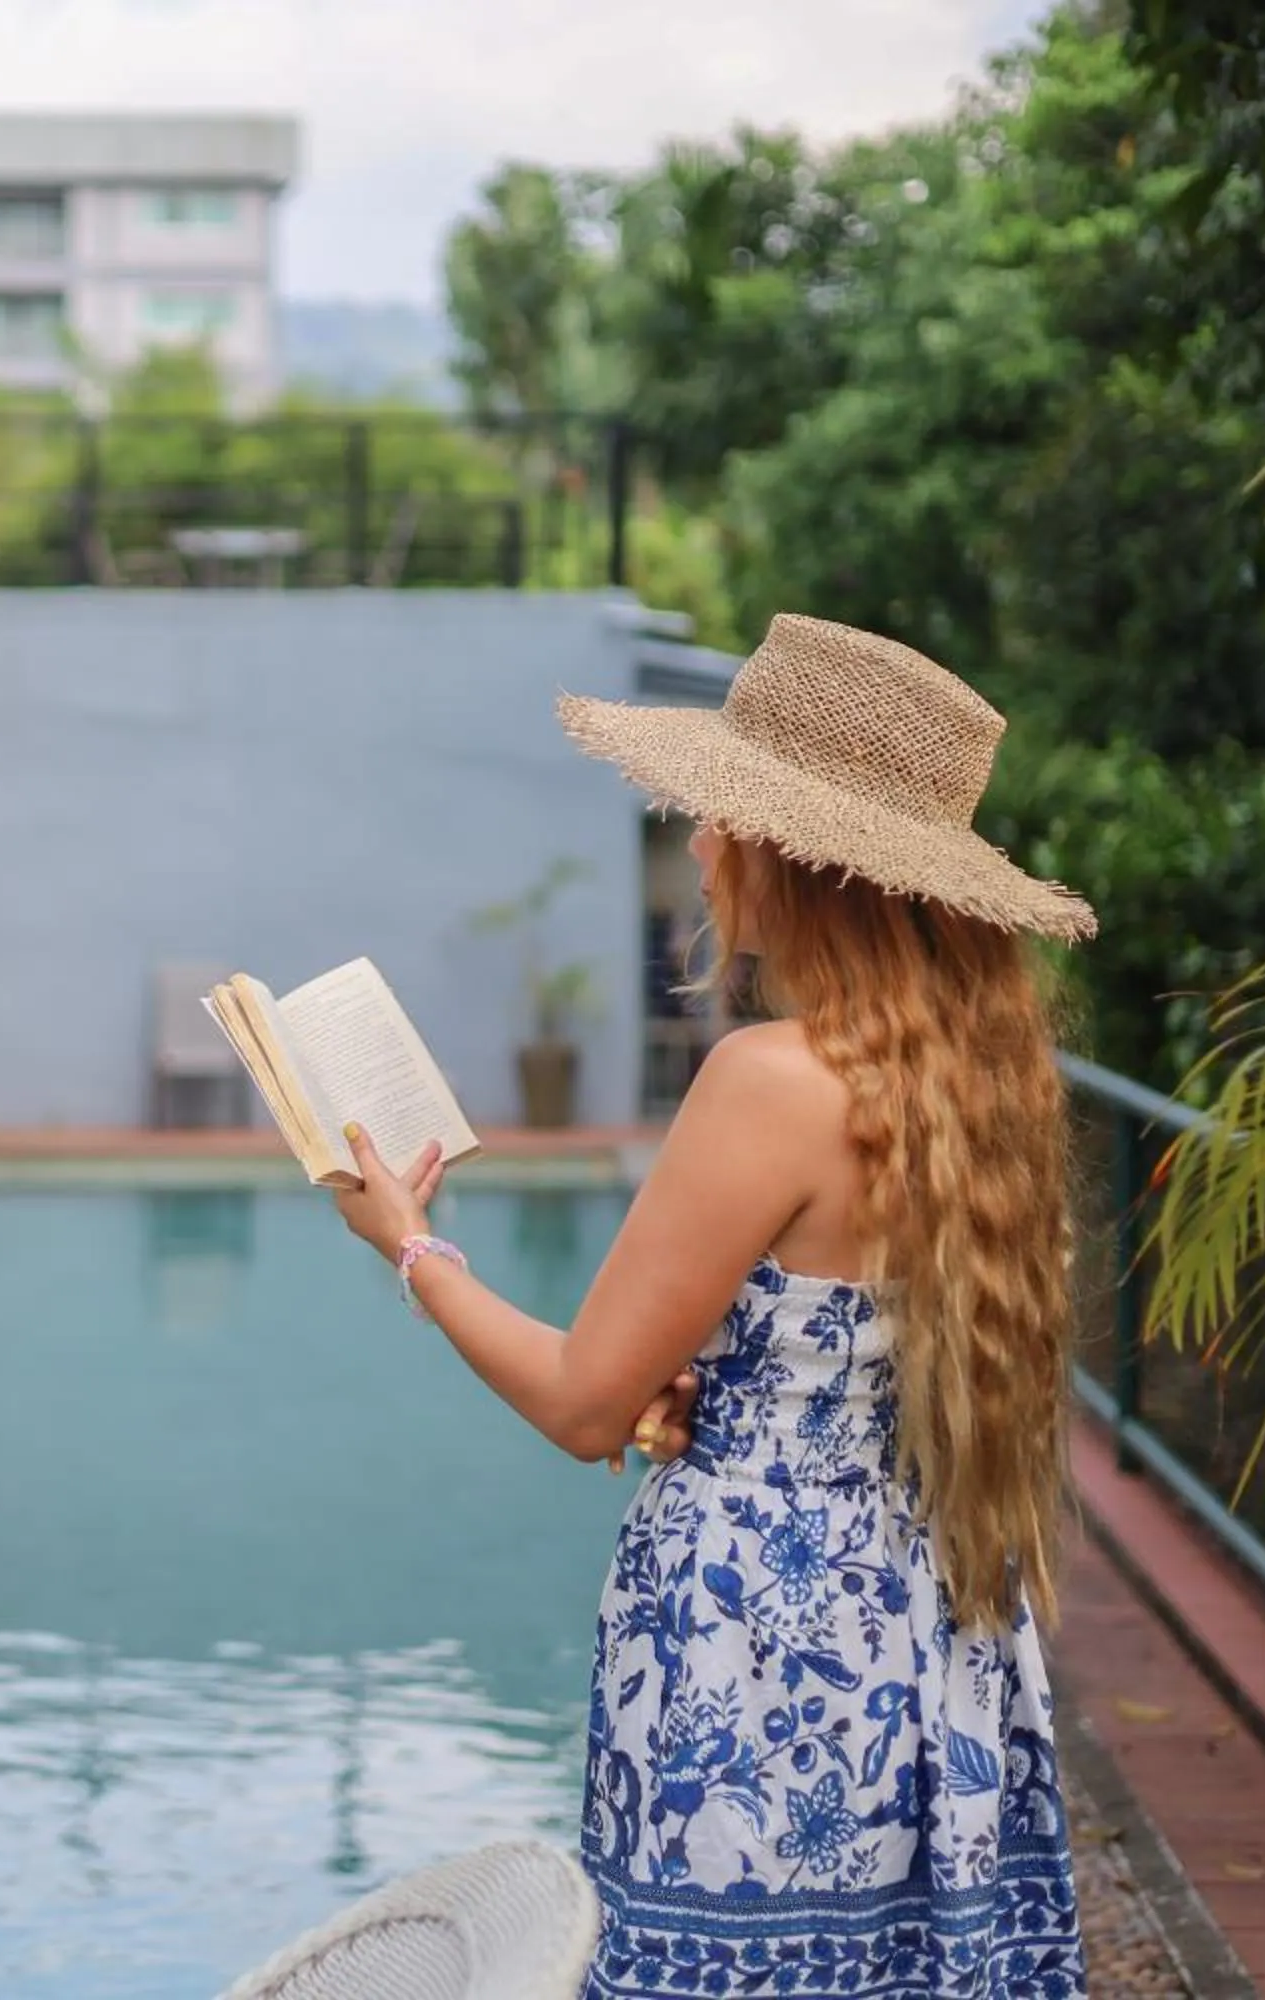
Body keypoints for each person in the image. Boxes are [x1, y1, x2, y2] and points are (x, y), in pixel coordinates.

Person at [332, 614, 1093, 1998]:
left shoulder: (770, 1080)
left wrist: (411, 1249)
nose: (697, 846)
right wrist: (716, 1389)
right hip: (934, 1623)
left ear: (798, 861)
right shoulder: (987, 1085)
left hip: (762, 1647)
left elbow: (581, 1406)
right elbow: (847, 1351)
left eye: (721, 817)